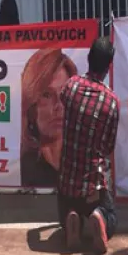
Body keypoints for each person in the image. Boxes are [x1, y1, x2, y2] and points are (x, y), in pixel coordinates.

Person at [58, 37, 119, 255]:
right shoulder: (111, 102)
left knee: (64, 208)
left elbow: (63, 99)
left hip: (68, 181)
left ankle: (71, 218)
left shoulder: (71, 86)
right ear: (108, 66)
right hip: (95, 184)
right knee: (111, 216)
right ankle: (100, 216)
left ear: (88, 58)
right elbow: (108, 145)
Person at [20, 49, 78, 187]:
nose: (58, 106)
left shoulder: (87, 163)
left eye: (65, 93)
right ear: (32, 106)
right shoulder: (24, 169)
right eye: (47, 95)